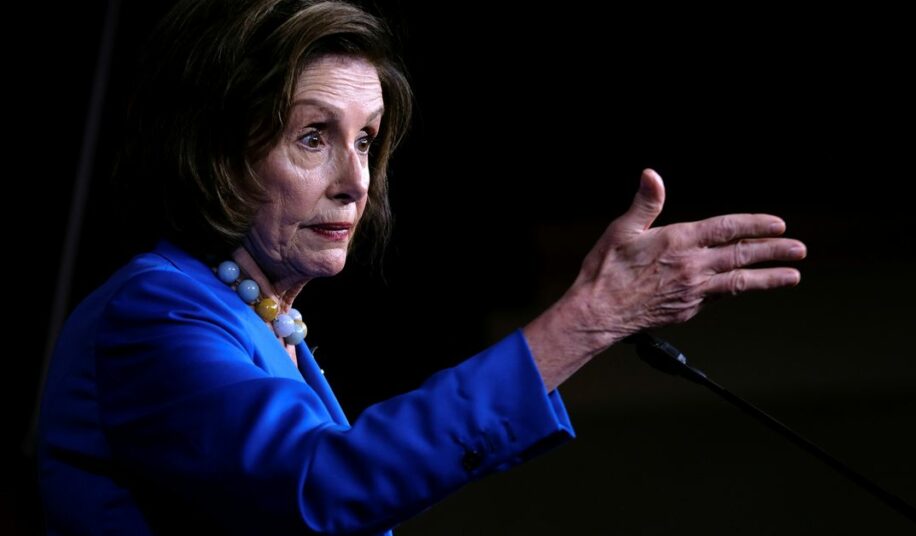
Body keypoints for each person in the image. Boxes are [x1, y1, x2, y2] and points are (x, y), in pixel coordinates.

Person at [36, 0, 807, 534]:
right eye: (313, 137)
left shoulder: (254, 317)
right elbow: (322, 488)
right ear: (213, 153)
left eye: (366, 139)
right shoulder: (156, 314)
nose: (356, 180)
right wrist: (589, 318)